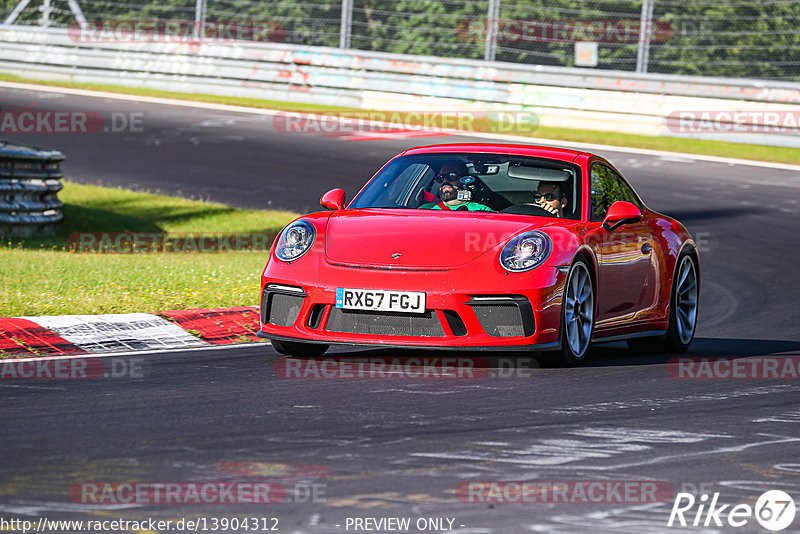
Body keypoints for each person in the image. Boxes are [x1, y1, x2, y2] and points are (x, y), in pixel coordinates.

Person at [419, 162, 493, 212]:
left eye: (452, 176)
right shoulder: (426, 210)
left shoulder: (480, 210)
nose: (445, 181)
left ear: (464, 180)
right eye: (440, 178)